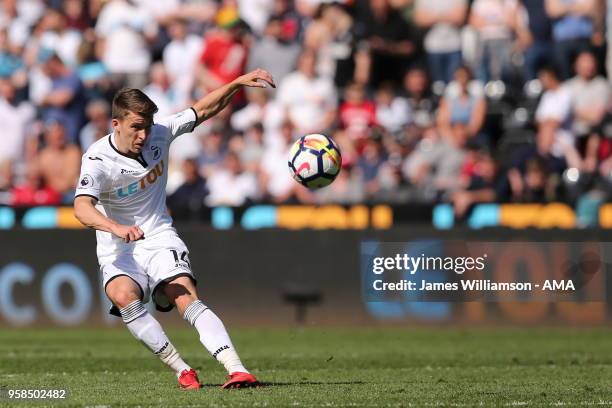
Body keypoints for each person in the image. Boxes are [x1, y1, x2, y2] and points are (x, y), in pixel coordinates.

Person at [73, 68, 275, 390]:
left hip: (156, 232)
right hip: (117, 244)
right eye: (136, 127)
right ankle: (182, 369)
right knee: (124, 296)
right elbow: (81, 208)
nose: (143, 135)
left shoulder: (160, 133)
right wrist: (115, 226)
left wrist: (236, 83)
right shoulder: (97, 159)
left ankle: (236, 369)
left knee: (183, 294)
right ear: (117, 125)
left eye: (147, 127)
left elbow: (203, 109)